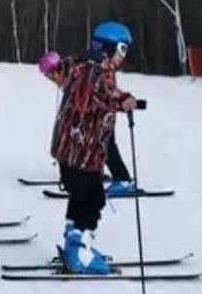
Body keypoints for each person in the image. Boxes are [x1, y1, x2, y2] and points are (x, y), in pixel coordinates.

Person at [46, 21, 138, 274]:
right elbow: (97, 93)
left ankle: (76, 244)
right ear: (110, 47)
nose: (123, 55)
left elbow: (95, 88)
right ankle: (78, 256)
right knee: (93, 199)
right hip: (81, 152)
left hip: (74, 151)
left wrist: (122, 97)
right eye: (122, 49)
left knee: (82, 198)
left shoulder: (84, 63)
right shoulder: (96, 70)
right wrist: (121, 101)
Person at [40, 51, 136, 197]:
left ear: (56, 70)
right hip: (90, 118)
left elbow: (103, 91)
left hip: (100, 117)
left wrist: (122, 100)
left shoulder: (80, 72)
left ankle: (122, 179)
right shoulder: (71, 71)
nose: (51, 80)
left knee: (104, 144)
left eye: (50, 76)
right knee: (83, 145)